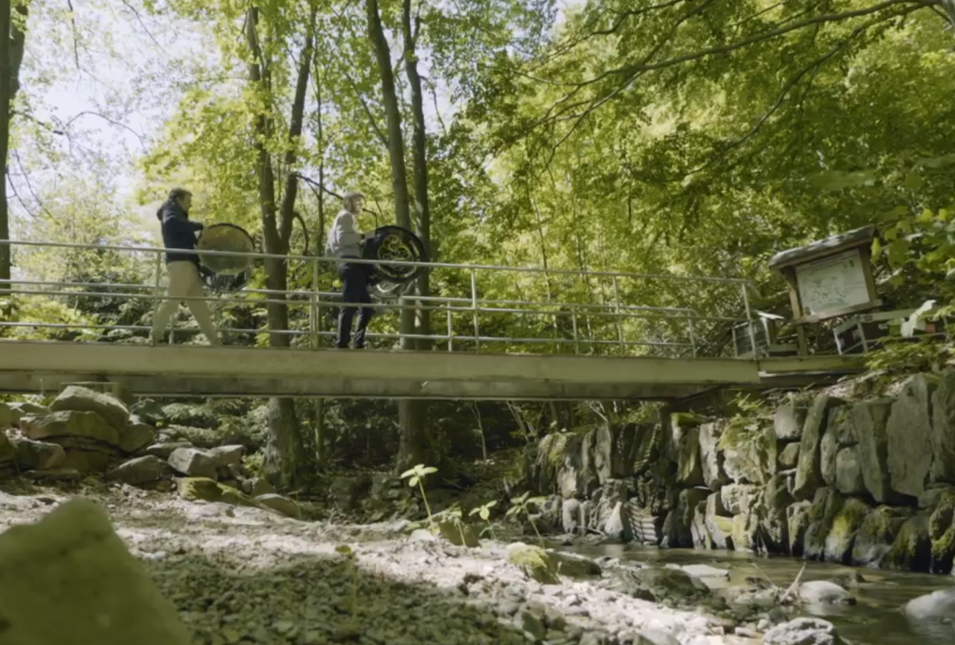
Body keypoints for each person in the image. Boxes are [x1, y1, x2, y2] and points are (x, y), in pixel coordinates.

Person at [151, 187, 220, 346]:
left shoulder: (178, 215)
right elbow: (171, 224)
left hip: (188, 264)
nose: (190, 205)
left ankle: (215, 341)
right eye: (188, 201)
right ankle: (154, 336)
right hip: (181, 263)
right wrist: (198, 226)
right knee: (171, 301)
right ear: (178, 200)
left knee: (199, 307)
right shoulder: (171, 211)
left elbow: (189, 240)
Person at [327, 190, 375, 349]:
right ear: (348, 202)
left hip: (350, 264)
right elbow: (343, 239)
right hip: (350, 264)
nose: (361, 205)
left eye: (362, 202)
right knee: (350, 305)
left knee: (366, 307)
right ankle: (342, 343)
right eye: (357, 202)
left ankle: (358, 342)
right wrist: (364, 236)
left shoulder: (343, 218)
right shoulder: (345, 216)